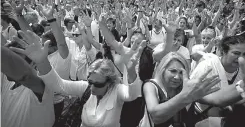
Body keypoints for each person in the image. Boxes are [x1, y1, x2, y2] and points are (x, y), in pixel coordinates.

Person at [9, 29, 146, 127]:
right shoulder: (85, 88)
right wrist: (41, 61)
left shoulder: (117, 91)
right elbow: (59, 85)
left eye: (98, 84)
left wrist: (130, 70)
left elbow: (132, 93)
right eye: (90, 81)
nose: (91, 88)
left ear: (110, 82)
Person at [139, 52, 221, 127]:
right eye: (173, 71)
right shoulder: (151, 86)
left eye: (181, 73)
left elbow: (215, 99)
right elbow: (156, 115)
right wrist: (185, 95)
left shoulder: (183, 88)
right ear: (163, 70)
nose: (177, 77)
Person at [190, 35, 245, 120]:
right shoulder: (207, 66)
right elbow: (191, 93)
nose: (241, 58)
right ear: (223, 51)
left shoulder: (244, 71)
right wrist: (220, 100)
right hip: (202, 116)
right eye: (236, 53)